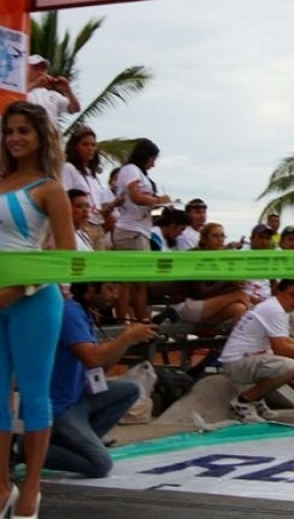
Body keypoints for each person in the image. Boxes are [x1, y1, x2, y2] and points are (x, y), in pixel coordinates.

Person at [0, 101, 76, 519]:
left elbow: (65, 258)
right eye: (10, 130)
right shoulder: (0, 182)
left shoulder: (50, 189)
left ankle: (31, 489)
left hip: (32, 301)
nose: (15, 138)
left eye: (23, 131)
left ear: (40, 136)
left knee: (33, 396)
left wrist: (18, 288)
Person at [45, 282, 156, 478]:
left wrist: (129, 339)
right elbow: (92, 357)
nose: (115, 295)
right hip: (61, 406)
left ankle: (79, 441)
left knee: (130, 390)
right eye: (110, 289)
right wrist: (127, 335)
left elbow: (100, 367)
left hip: (78, 396)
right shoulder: (71, 312)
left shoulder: (85, 312)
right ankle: (28, 450)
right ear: (90, 289)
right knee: (100, 465)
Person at [219, 279, 294, 423]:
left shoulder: (277, 308)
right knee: (289, 367)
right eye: (292, 295)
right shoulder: (274, 310)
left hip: (245, 359)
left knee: (286, 363)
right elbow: (281, 348)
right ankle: (243, 402)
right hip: (237, 364)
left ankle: (256, 399)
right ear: (278, 292)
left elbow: (285, 339)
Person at [112, 138, 170, 323]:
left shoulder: (138, 173)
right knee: (132, 282)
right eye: (153, 158)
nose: (154, 164)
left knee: (137, 282)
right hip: (131, 230)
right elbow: (135, 196)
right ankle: (134, 321)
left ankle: (138, 320)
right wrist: (159, 200)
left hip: (139, 229)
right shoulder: (131, 170)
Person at [61, 127, 110, 250]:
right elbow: (65, 198)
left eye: (93, 145)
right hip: (83, 225)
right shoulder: (68, 168)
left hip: (98, 225)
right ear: (75, 147)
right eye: (85, 144)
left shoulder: (92, 174)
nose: (90, 148)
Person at [26, 54, 80, 124]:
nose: (40, 72)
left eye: (43, 69)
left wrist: (67, 89)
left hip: (49, 133)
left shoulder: (53, 95)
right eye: (36, 68)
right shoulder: (20, 91)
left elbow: (75, 108)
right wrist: (36, 84)